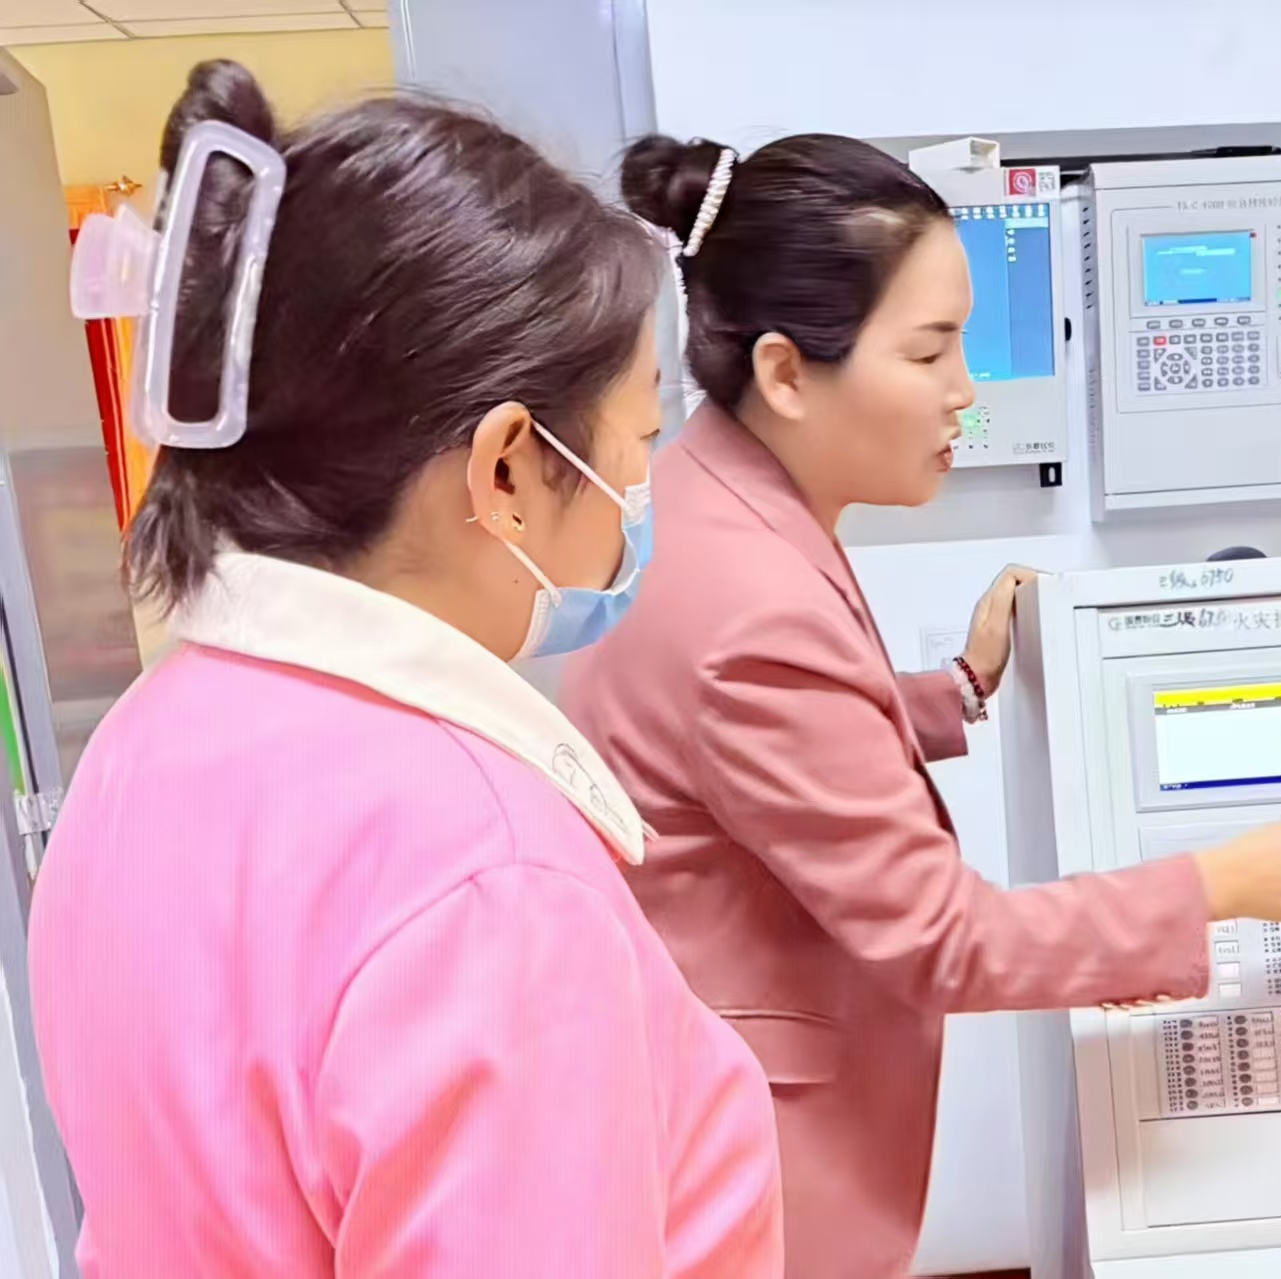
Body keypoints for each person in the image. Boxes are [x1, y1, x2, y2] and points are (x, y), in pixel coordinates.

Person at [560, 132, 1281, 1279]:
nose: (965, 390)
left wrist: (955, 688)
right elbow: (943, 938)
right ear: (785, 373)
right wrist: (1226, 882)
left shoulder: (702, 500)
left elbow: (753, 751)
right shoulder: (753, 606)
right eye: (929, 351)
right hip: (759, 1173)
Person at [28, 63, 781, 1277]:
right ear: (505, 470)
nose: (640, 498)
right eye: (639, 442)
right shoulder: (490, 880)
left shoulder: (141, 744)